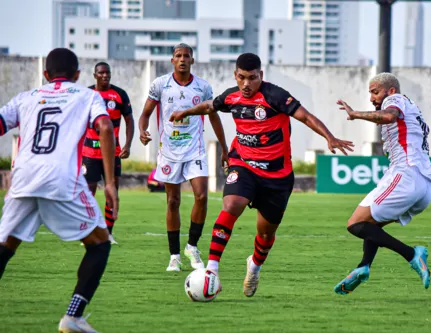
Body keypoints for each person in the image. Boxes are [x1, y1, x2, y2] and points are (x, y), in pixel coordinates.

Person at [169, 53, 354, 297]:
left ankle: (254, 267)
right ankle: (212, 269)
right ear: (236, 75)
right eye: (242, 78)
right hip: (243, 165)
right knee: (232, 204)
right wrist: (187, 112)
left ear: (261, 76)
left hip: (277, 176)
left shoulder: (274, 96)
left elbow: (306, 116)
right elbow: (209, 106)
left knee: (266, 234)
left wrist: (329, 137)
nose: (246, 84)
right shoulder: (231, 96)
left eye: (252, 78)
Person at [0, 48, 118, 333]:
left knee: (6, 246)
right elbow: (104, 126)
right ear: (78, 75)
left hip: (23, 177)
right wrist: (111, 183)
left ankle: (74, 318)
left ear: (45, 74)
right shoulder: (87, 95)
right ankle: (73, 316)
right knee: (100, 243)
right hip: (62, 177)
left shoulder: (26, 97)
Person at [333, 72, 431, 295]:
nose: (372, 98)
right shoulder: (412, 108)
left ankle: (412, 254)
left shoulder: (394, 99)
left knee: (355, 224)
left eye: (375, 91)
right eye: (370, 92)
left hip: (406, 173)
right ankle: (363, 266)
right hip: (424, 183)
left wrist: (355, 114)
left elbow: (389, 116)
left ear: (390, 91)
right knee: (371, 224)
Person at [139, 43, 229, 272]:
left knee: (201, 196)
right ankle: (174, 256)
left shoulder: (203, 87)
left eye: (186, 56)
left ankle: (192, 246)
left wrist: (225, 147)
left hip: (194, 150)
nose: (182, 59)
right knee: (173, 201)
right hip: (169, 152)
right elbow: (145, 113)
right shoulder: (160, 84)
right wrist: (142, 130)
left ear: (192, 60)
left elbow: (214, 117)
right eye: (178, 56)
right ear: (172, 60)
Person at [82, 62, 134, 244]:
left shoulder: (119, 95)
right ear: (94, 75)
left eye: (107, 73)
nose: (105, 76)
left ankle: (108, 233)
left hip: (113, 153)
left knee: (112, 192)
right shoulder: (87, 95)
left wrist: (127, 144)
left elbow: (129, 120)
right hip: (89, 153)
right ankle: (88, 231)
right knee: (89, 192)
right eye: (101, 73)